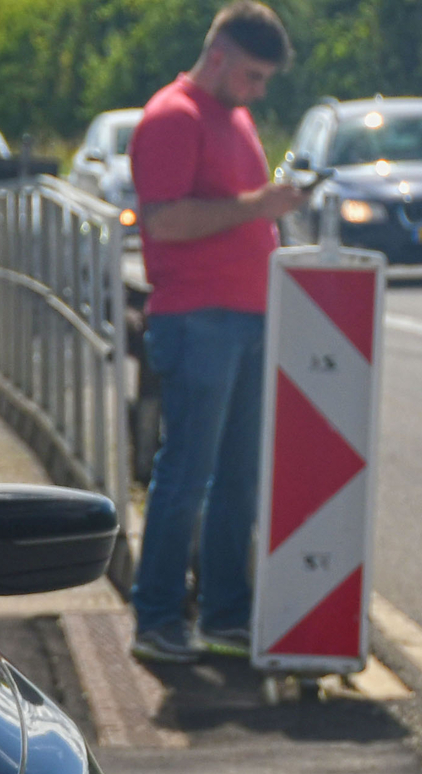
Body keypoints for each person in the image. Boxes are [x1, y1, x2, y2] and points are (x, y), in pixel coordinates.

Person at [124, 2, 307, 663]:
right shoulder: (173, 116)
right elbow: (165, 222)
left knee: (237, 477)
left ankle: (226, 613)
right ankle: (156, 617)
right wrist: (261, 206)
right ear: (221, 55)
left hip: (245, 315)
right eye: (254, 76)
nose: (259, 91)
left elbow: (233, 213)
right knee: (187, 475)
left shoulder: (233, 116)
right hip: (198, 318)